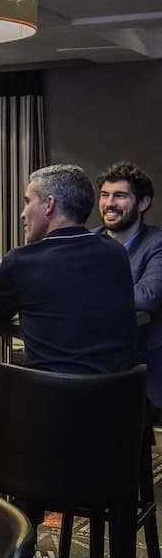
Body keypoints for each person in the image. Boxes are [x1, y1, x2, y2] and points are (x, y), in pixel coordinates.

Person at [0, 164, 136, 373]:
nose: (22, 214)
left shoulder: (20, 262)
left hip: (46, 392)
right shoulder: (116, 252)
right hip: (117, 391)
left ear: (49, 204)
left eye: (27, 202)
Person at [95, 161, 162, 405]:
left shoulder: (157, 243)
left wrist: (86, 292)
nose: (109, 203)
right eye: (105, 195)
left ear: (143, 203)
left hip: (142, 363)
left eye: (120, 196)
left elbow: (147, 296)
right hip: (93, 357)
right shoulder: (88, 241)